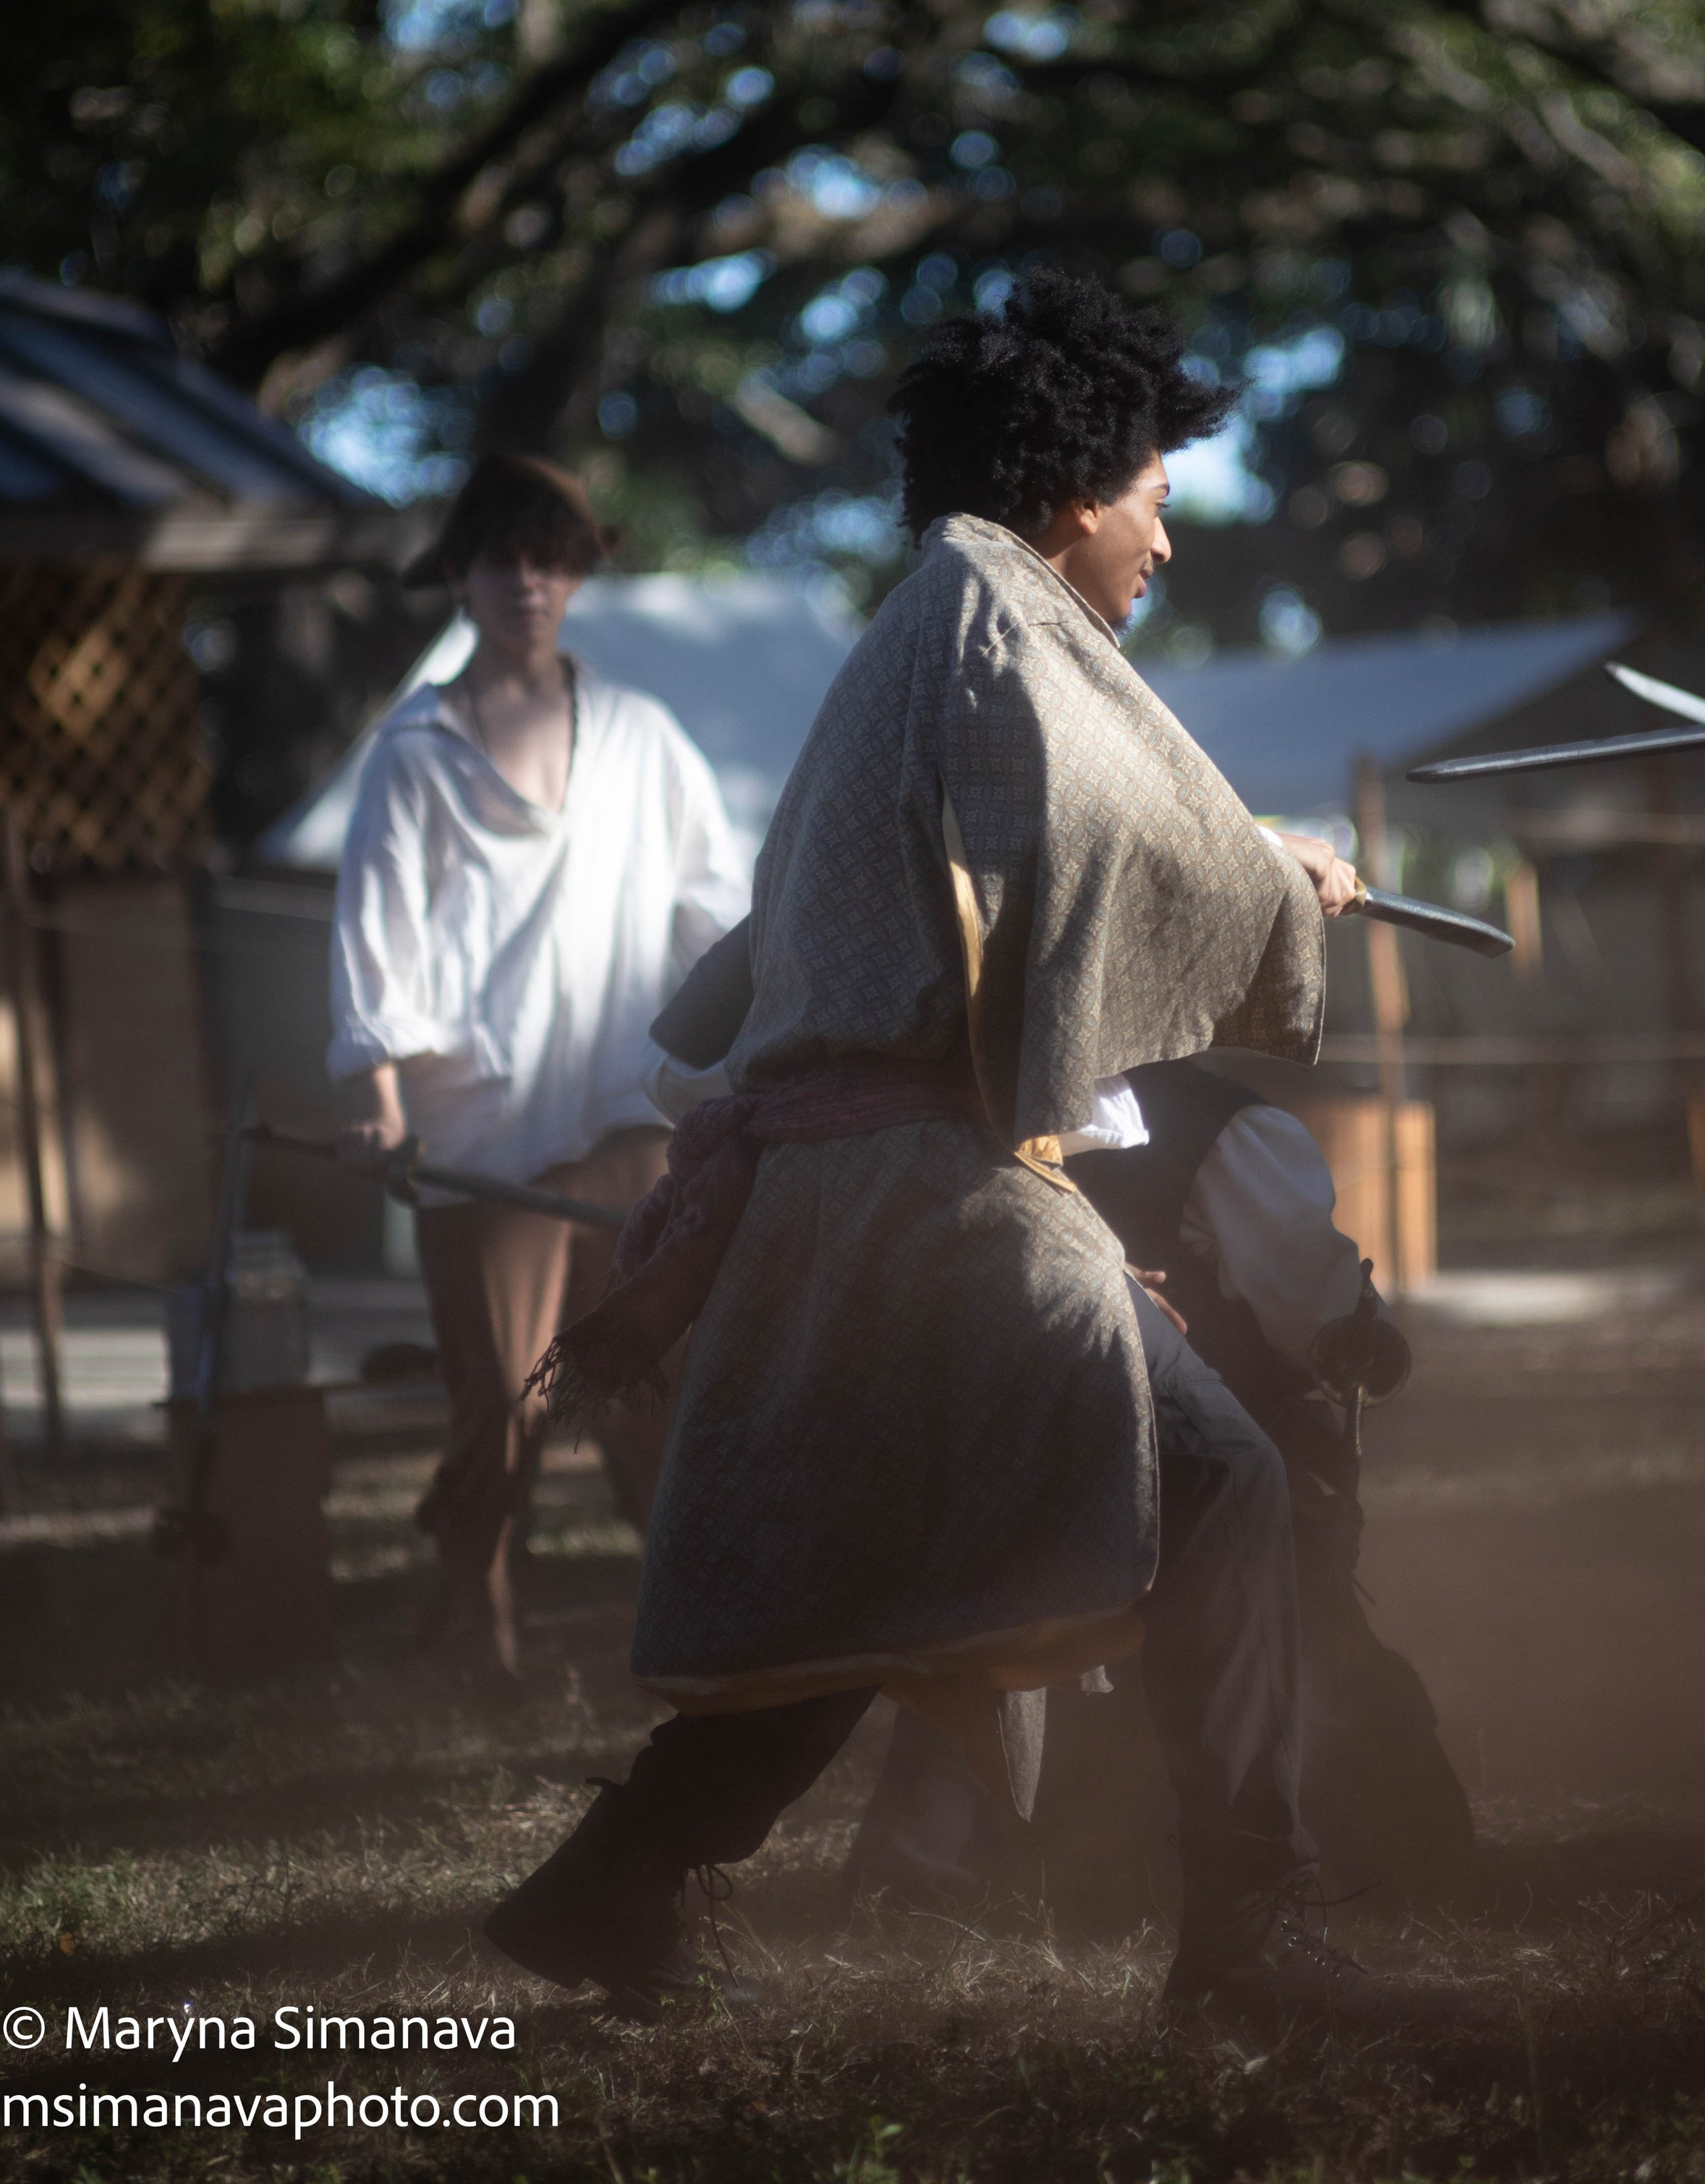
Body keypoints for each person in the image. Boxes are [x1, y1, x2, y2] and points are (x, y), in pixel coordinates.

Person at [482, 273, 1423, 2031]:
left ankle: (602, 1885)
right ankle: (1251, 1937)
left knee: (873, 1577)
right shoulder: (996, 621)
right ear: (1080, 485)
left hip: (861, 1200)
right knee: (1219, 1481)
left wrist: (1239, 852)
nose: (1164, 540)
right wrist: (1273, 872)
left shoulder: (945, 617)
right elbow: (1103, 850)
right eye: (1154, 494)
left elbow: (1053, 851)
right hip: (919, 1195)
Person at [846, 1059, 1476, 1915]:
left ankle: (930, 1861)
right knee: (1286, 1624)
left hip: (1011, 1456)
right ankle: (1384, 1862)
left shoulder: (972, 1096)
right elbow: (1314, 1316)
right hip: (1176, 1475)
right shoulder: (1229, 1129)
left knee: (991, 1642)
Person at [328, 452, 747, 1677]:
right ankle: (474, 1626)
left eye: (552, 556)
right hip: (481, 1128)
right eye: (503, 556)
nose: (529, 579)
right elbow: (376, 942)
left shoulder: (642, 737)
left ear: (578, 574)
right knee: (502, 1407)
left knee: (660, 1384)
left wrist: (764, 1059)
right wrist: (380, 1103)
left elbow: (713, 918)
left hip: (630, 1115)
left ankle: (705, 1631)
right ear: (458, 575)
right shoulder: (411, 755)